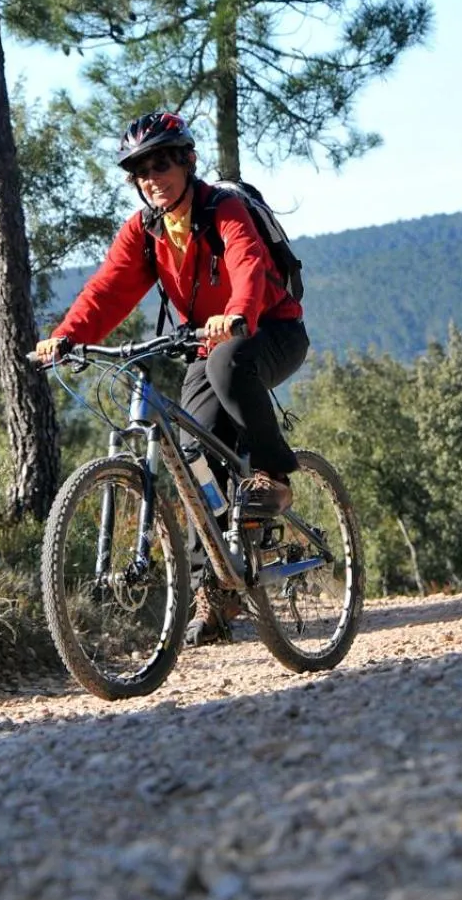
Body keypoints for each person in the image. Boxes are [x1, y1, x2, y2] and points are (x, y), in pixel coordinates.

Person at [34, 109, 309, 644]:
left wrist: (238, 314)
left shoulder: (222, 208)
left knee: (230, 365)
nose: (152, 178)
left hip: (270, 331)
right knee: (192, 461)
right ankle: (217, 594)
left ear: (187, 162)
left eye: (162, 164)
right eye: (141, 170)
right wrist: (65, 336)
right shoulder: (145, 230)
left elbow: (249, 262)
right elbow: (108, 289)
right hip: (205, 346)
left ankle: (274, 476)